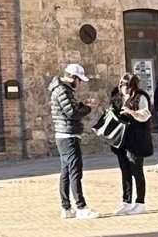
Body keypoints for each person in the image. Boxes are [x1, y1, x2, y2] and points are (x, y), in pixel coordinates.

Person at [48, 63, 95, 220]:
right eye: (79, 80)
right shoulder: (62, 90)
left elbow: (70, 109)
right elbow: (72, 113)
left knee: (66, 172)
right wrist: (87, 109)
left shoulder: (63, 90)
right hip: (68, 135)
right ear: (73, 77)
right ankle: (81, 207)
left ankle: (66, 207)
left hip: (65, 135)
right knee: (75, 171)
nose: (80, 84)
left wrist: (82, 105)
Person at [109, 73, 154, 216]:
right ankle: (126, 202)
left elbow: (145, 114)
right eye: (123, 86)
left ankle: (140, 202)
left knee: (137, 171)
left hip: (137, 139)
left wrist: (132, 112)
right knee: (125, 171)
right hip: (122, 140)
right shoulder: (116, 97)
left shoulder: (141, 97)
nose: (125, 90)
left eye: (128, 87)